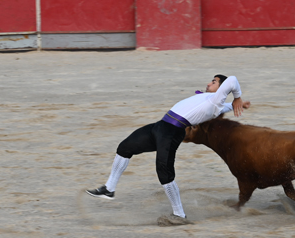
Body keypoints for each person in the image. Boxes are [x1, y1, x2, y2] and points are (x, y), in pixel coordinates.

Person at [86, 74, 247, 226]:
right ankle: (109, 189)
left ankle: (179, 214)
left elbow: (232, 80)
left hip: (172, 132)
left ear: (221, 88)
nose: (208, 83)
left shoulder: (215, 101)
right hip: (160, 126)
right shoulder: (210, 100)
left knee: (164, 171)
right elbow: (224, 106)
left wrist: (237, 97)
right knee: (124, 147)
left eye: (214, 82)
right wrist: (236, 105)